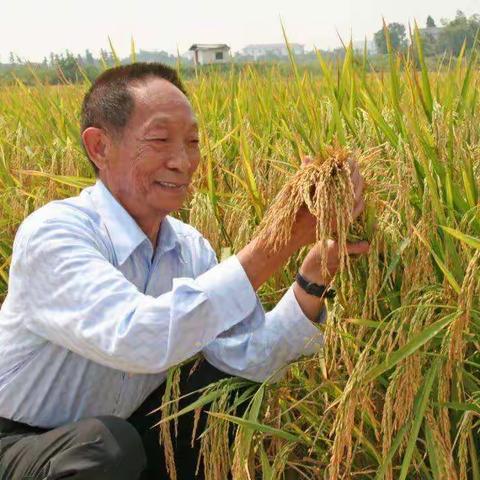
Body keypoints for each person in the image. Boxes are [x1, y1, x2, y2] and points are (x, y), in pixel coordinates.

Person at [0, 62, 368, 480]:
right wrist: (277, 241)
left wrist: (311, 278)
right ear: (99, 147)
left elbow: (245, 358)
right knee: (106, 446)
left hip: (120, 438)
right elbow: (139, 338)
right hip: (18, 445)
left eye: (192, 142)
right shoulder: (54, 234)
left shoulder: (190, 249)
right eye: (159, 140)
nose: (183, 161)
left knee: (223, 394)